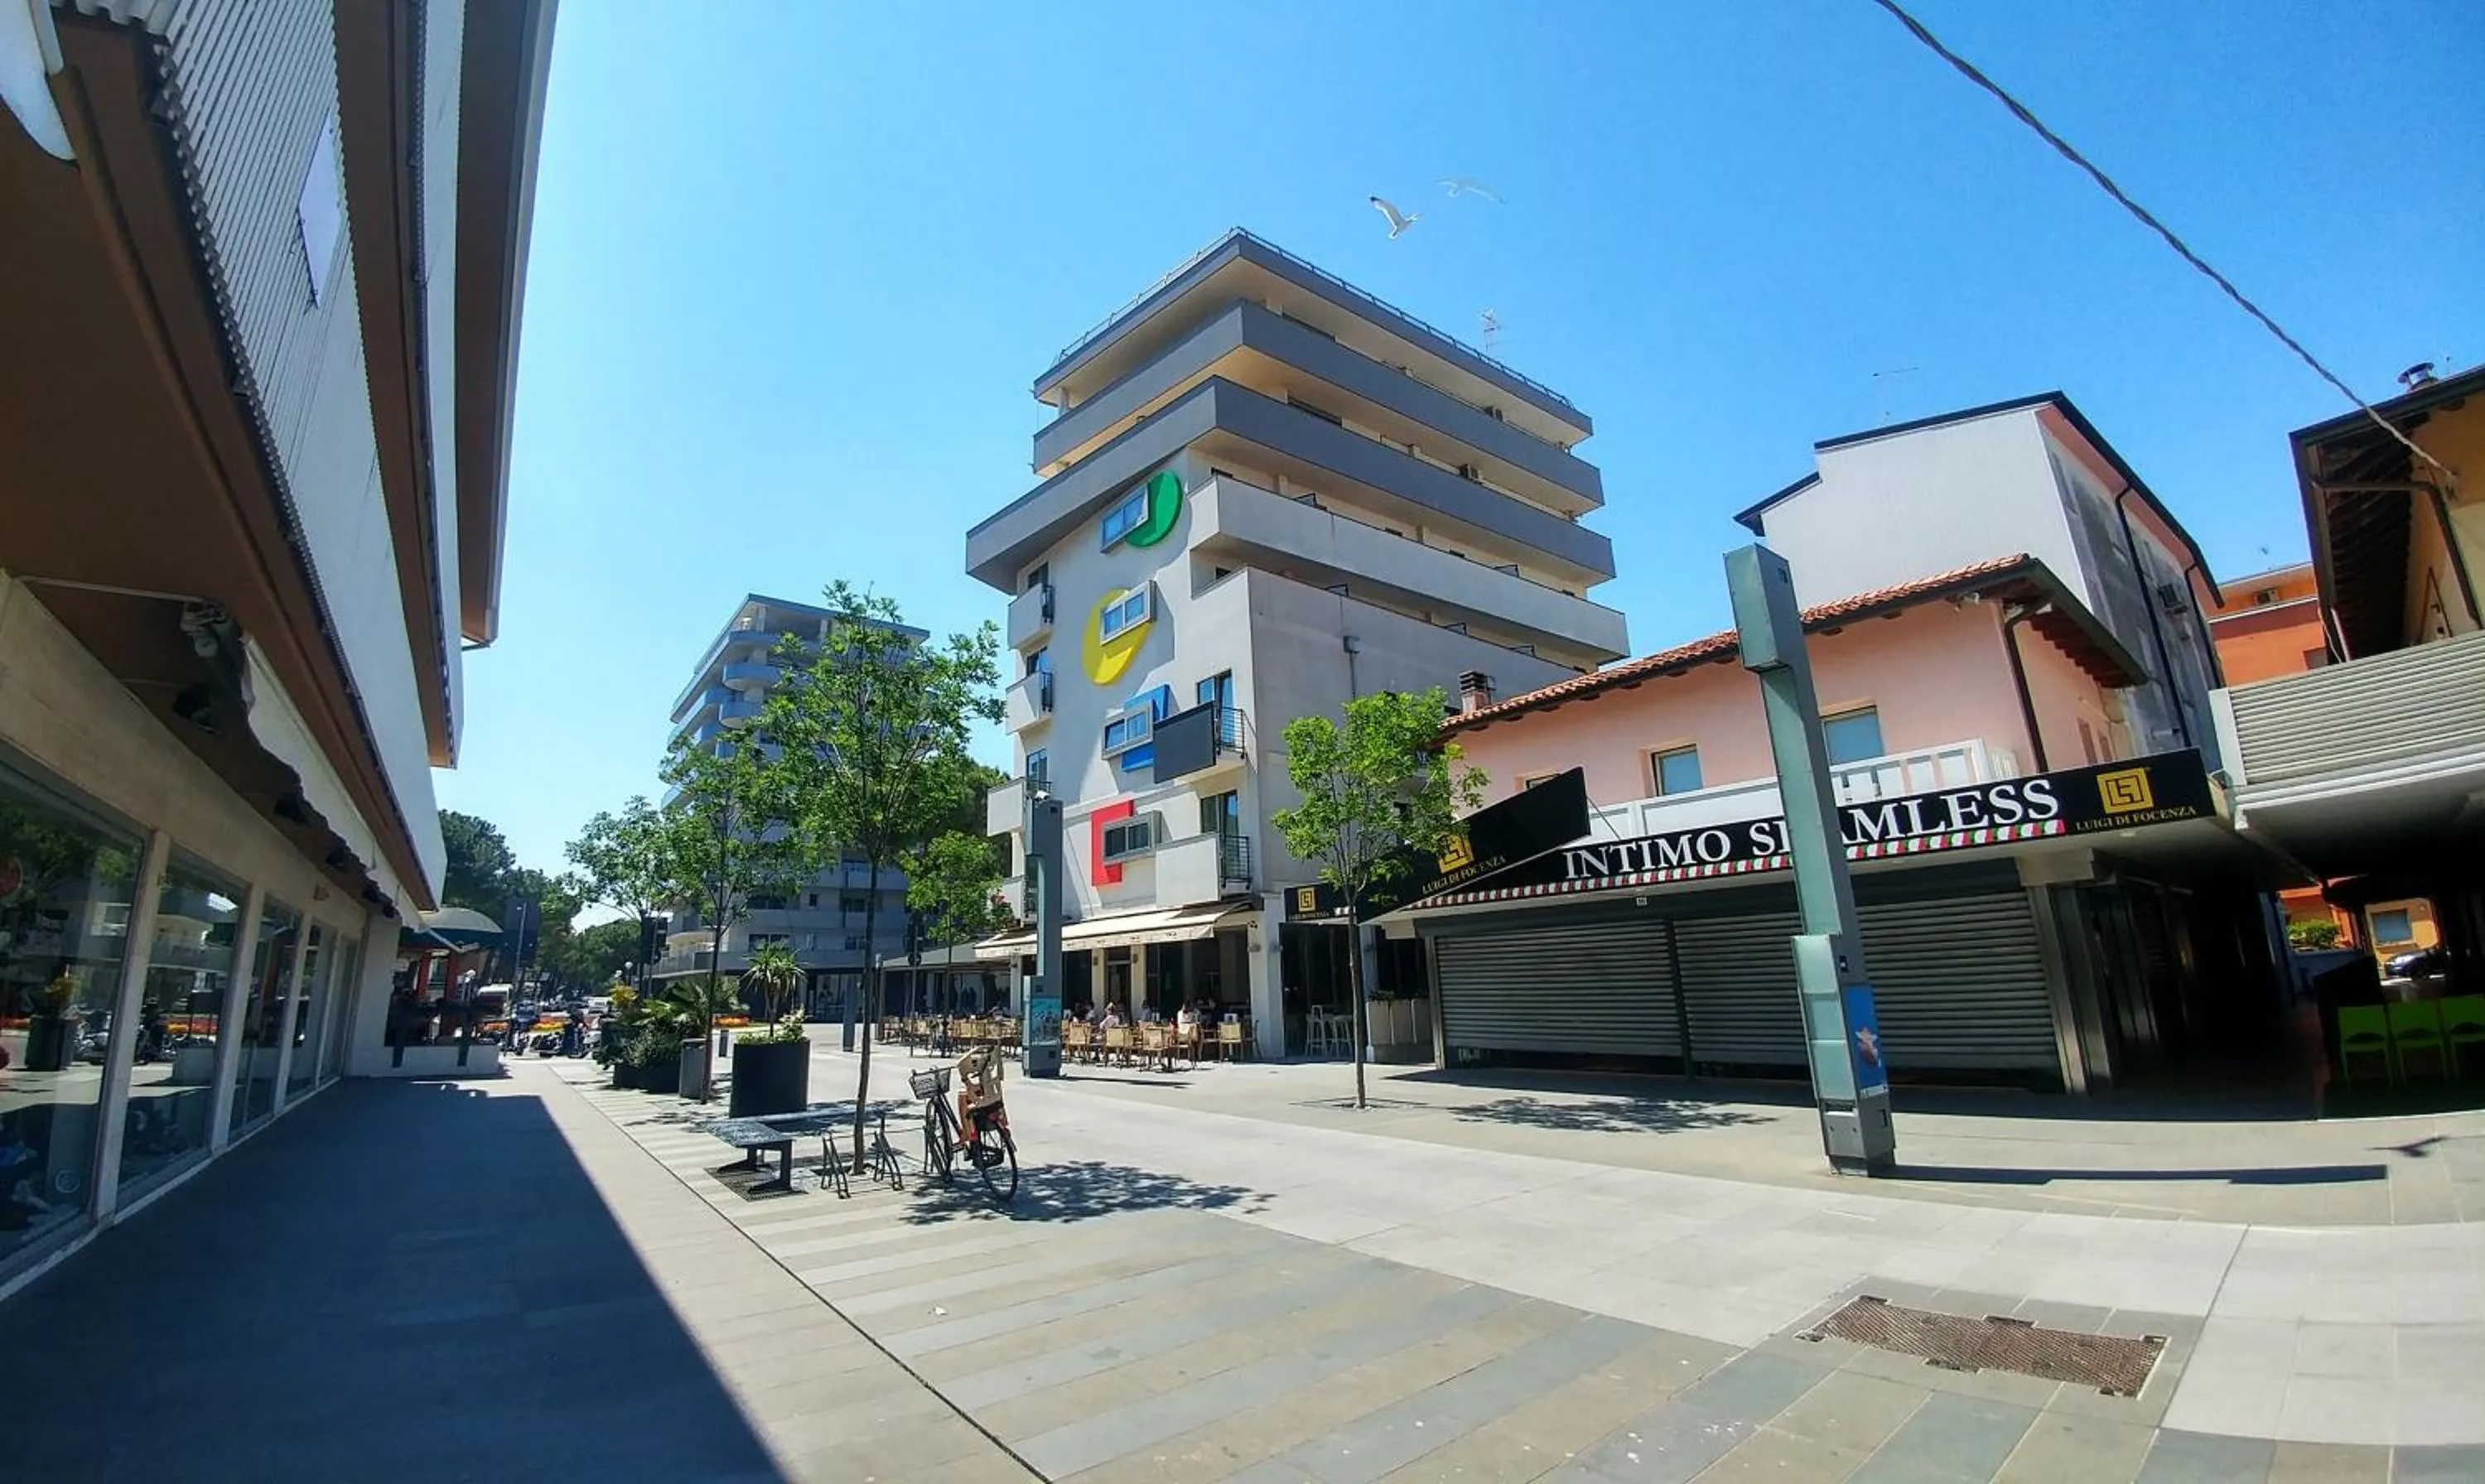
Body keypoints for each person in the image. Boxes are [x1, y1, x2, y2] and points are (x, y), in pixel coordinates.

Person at [953, 1043, 1004, 1150]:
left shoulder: (966, 1062)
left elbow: (961, 1065)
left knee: (962, 1098)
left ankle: (969, 1134)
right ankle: (1002, 1123)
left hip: (981, 1102)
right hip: (996, 1095)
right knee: (980, 1088)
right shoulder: (992, 1054)